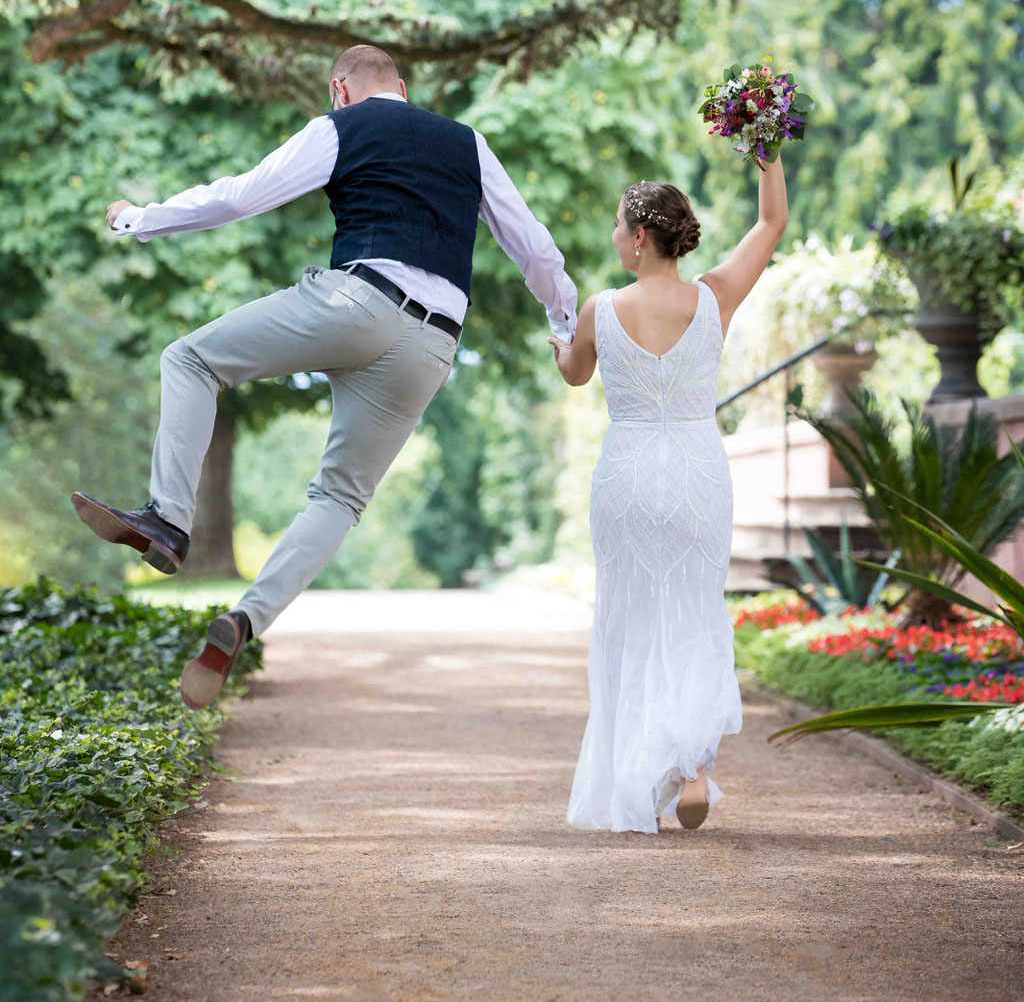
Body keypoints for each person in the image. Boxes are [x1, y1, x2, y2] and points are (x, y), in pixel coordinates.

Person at [72, 45, 577, 709]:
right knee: (339, 499)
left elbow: (241, 198)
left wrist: (140, 218)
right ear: (403, 86)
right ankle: (246, 621)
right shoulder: (468, 143)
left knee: (189, 360)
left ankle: (167, 519)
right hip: (433, 346)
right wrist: (565, 324)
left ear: (341, 89)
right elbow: (534, 247)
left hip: (357, 305)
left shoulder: (340, 127)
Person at [549, 154, 788, 833]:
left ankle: (636, 776)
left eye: (618, 227)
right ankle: (694, 770)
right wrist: (767, 152)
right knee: (692, 617)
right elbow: (772, 221)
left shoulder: (601, 309)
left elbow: (574, 374)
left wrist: (560, 346)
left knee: (630, 622)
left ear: (641, 237)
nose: (613, 237)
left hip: (626, 477)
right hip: (695, 474)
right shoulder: (715, 297)